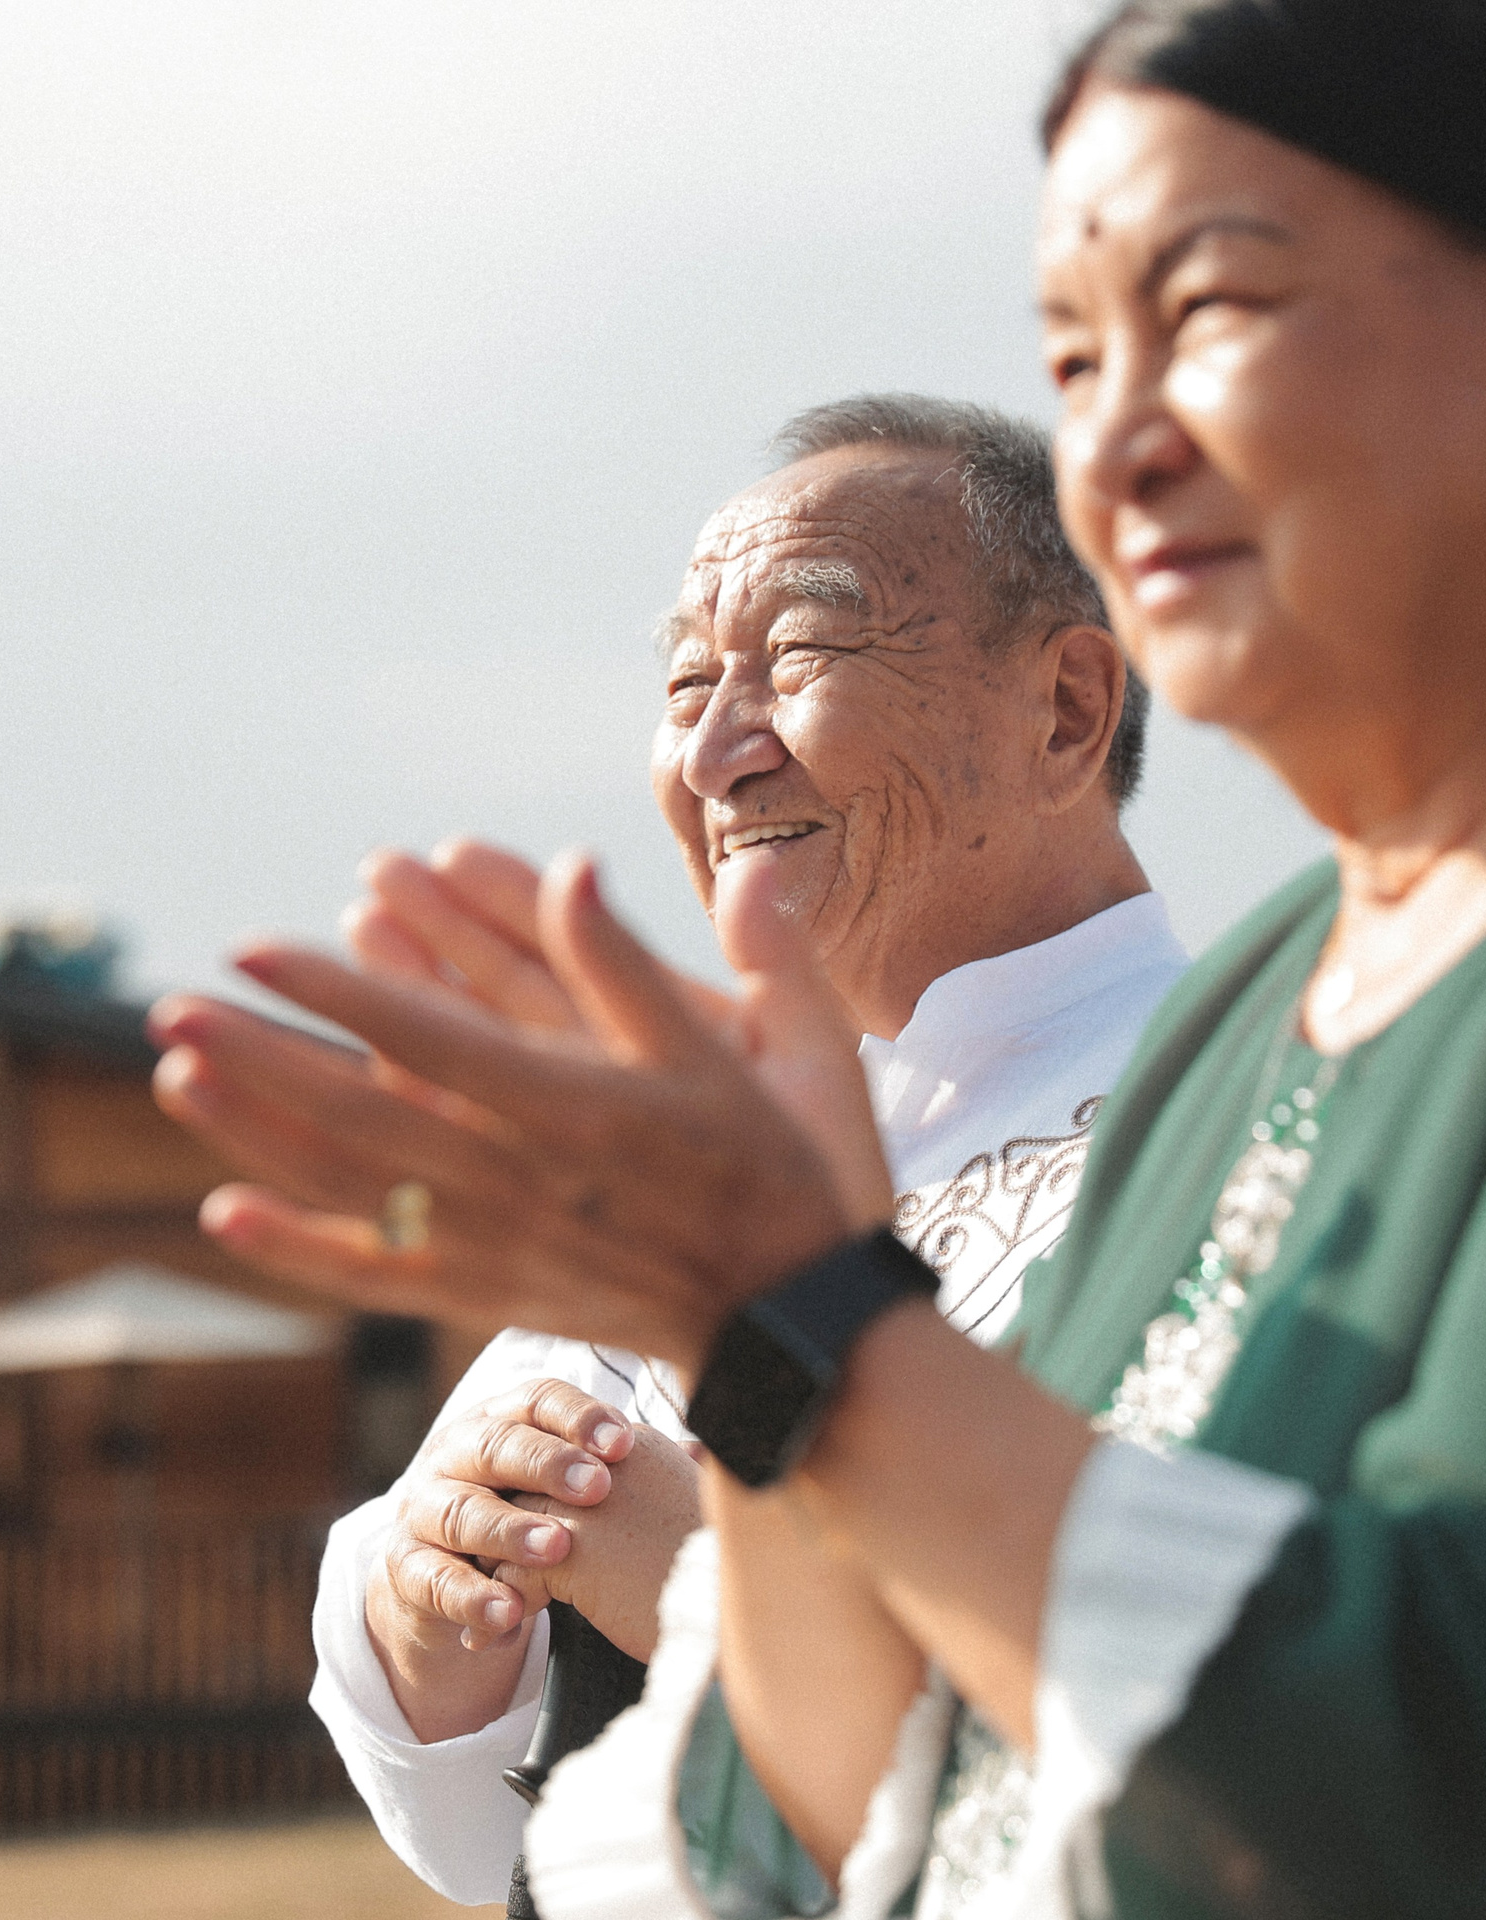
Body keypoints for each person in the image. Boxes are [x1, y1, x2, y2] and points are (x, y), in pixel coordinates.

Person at [149, 0, 1486, 1911]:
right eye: (1075, 354)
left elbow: (1485, 1783)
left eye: (1208, 306)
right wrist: (749, 1351)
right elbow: (858, 1834)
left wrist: (802, 1324)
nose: (1115, 445)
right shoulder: (1264, 1008)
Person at [293, 396, 1186, 1904]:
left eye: (798, 658)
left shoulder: (1241, 1104)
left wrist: (711, 1578)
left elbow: (1220, 1728)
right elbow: (463, 1812)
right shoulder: (712, 1136)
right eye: (688, 682)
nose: (712, 755)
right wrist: (438, 1608)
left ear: (1065, 710)